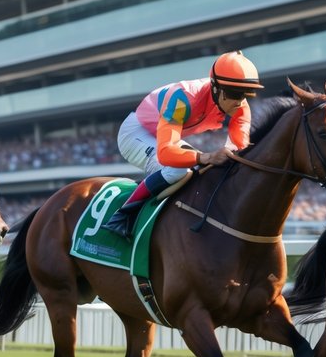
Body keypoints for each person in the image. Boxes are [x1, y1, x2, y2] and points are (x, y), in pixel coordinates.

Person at [102, 51, 263, 238]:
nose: (239, 101)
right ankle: (123, 215)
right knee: (178, 170)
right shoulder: (183, 99)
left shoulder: (240, 106)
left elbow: (238, 151)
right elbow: (165, 152)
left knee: (206, 170)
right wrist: (206, 156)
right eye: (234, 94)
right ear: (215, 88)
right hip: (136, 133)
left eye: (245, 94)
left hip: (164, 136)